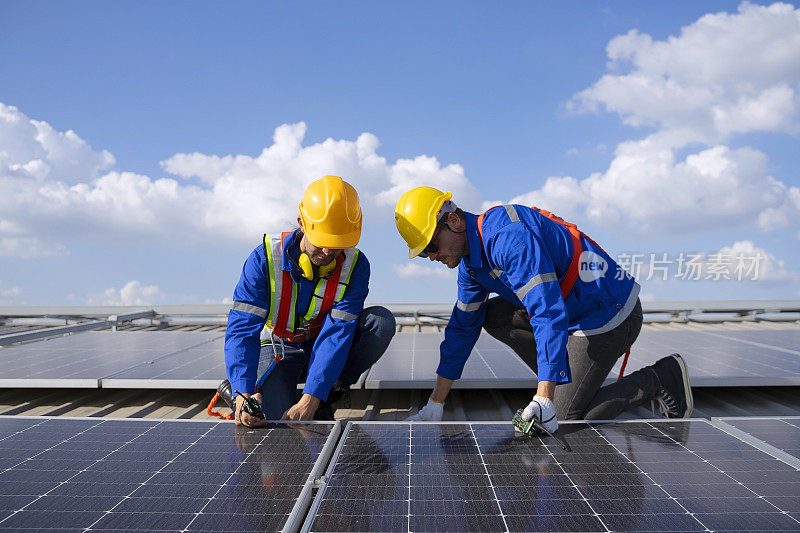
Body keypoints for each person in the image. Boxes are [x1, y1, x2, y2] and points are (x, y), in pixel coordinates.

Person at [394, 186, 692, 432]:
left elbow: (546, 310)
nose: (431, 257)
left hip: (608, 313)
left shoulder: (508, 238)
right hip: (570, 311)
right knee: (490, 314)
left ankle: (660, 376)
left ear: (454, 222)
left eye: (431, 246)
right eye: (423, 254)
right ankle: (563, 379)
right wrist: (436, 403)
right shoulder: (471, 267)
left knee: (563, 419)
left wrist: (545, 397)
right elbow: (461, 329)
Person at [225, 175, 396, 427]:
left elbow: (337, 333)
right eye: (323, 242)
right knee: (269, 420)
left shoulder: (356, 266)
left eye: (338, 244)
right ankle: (234, 391)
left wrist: (313, 397)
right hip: (278, 348)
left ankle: (327, 394)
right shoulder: (264, 259)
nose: (329, 253)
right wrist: (242, 392)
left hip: (323, 346)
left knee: (380, 322)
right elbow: (242, 328)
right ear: (302, 223)